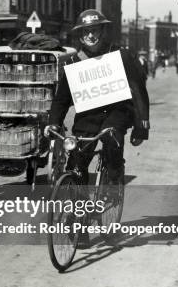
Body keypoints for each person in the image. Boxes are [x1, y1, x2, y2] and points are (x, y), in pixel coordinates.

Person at [45, 9, 150, 186]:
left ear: (103, 31)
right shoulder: (75, 62)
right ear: (80, 35)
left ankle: (115, 175)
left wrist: (141, 127)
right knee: (76, 161)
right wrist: (53, 122)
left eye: (95, 30)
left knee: (112, 140)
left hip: (117, 112)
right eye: (86, 31)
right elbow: (62, 98)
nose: (91, 35)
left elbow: (138, 90)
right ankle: (78, 207)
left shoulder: (121, 55)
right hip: (88, 115)